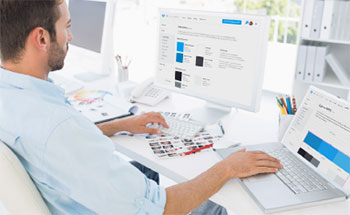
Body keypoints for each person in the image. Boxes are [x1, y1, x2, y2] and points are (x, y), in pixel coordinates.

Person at [0, 0, 282, 214]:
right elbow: (162, 208)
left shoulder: (14, 94)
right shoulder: (59, 128)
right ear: (41, 38)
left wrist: (120, 125)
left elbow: (60, 142)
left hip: (70, 195)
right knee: (219, 204)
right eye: (67, 27)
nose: (70, 37)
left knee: (145, 171)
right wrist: (226, 168)